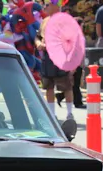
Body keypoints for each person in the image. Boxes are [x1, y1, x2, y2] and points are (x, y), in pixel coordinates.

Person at [35, 0, 78, 129]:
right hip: (47, 57)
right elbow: (37, 37)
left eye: (47, 5)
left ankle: (69, 114)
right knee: (49, 86)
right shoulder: (45, 21)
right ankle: (52, 114)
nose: (45, 7)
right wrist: (39, 44)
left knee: (67, 86)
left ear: (55, 6)